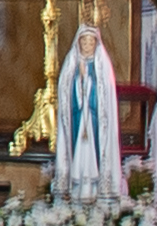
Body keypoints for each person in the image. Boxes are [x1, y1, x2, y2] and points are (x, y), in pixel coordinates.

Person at [51, 17, 123, 200]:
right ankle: (76, 186)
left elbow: (104, 93)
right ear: (79, 42)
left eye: (91, 42)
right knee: (78, 150)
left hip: (94, 118)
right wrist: (79, 80)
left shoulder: (102, 65)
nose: (87, 45)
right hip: (78, 118)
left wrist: (87, 80)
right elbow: (65, 90)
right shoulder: (71, 64)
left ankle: (96, 186)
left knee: (94, 150)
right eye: (84, 41)